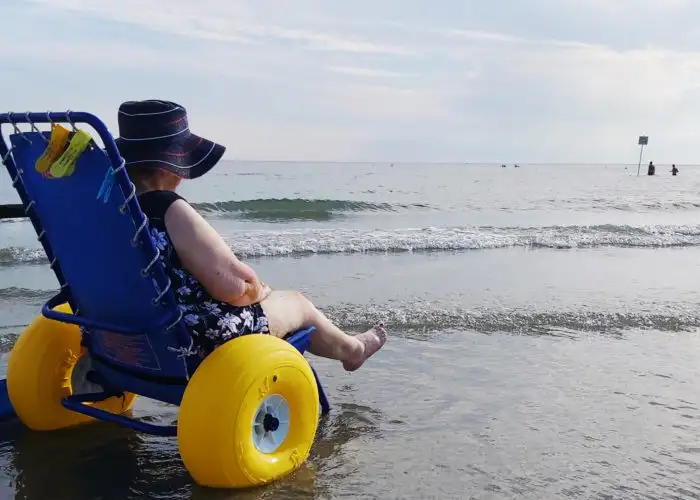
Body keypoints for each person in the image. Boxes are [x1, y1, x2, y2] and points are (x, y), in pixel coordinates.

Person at [114, 99, 386, 371]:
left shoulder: (111, 211)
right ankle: (354, 350)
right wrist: (259, 290)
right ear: (168, 167)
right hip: (192, 344)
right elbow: (232, 286)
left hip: (124, 333)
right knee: (297, 305)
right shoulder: (167, 208)